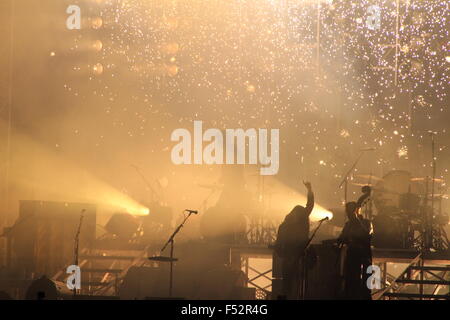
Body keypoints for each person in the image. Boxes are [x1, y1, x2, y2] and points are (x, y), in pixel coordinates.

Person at [274, 181, 314, 299]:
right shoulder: (287, 225)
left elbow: (310, 205)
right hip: (292, 256)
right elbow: (279, 241)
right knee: (291, 281)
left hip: (294, 256)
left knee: (291, 282)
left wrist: (309, 190)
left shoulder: (287, 224)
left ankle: (290, 296)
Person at [337, 201, 373, 300]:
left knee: (365, 282)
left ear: (357, 211)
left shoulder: (366, 222)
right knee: (351, 279)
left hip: (363, 256)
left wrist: (357, 220)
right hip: (351, 255)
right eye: (347, 212)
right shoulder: (348, 224)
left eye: (350, 211)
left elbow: (367, 235)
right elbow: (342, 238)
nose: (348, 214)